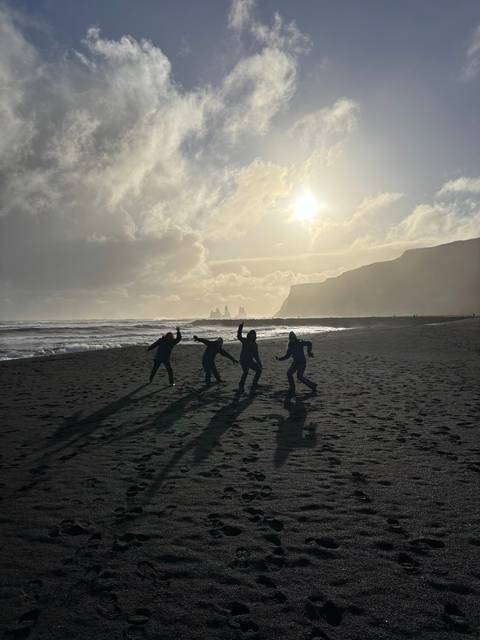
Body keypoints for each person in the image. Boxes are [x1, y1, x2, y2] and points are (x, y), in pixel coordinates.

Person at [276, 331, 317, 395]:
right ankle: (292, 387)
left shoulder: (300, 342)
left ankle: (313, 385)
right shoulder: (290, 346)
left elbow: (309, 343)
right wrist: (280, 359)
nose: (292, 339)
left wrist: (309, 352)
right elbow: (287, 356)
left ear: (295, 337)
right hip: (295, 363)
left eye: (293, 338)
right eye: (290, 338)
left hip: (302, 362)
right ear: (289, 339)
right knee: (289, 373)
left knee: (299, 377)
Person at [237, 322, 262, 393]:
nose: (253, 336)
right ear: (249, 335)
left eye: (254, 335)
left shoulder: (255, 345)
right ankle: (241, 386)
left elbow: (256, 355)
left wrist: (259, 363)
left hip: (250, 361)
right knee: (246, 372)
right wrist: (240, 327)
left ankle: (254, 383)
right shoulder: (245, 341)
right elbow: (239, 336)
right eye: (252, 335)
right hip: (243, 360)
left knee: (259, 370)